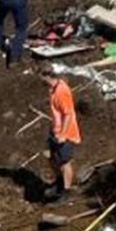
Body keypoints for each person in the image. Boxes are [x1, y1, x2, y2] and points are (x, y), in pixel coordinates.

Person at [41, 67, 81, 202]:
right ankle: (59, 183)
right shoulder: (53, 89)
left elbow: (68, 114)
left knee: (65, 162)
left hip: (65, 132)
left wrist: (63, 134)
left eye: (41, 76)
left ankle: (66, 191)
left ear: (47, 76)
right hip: (55, 130)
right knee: (52, 158)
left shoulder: (61, 92)